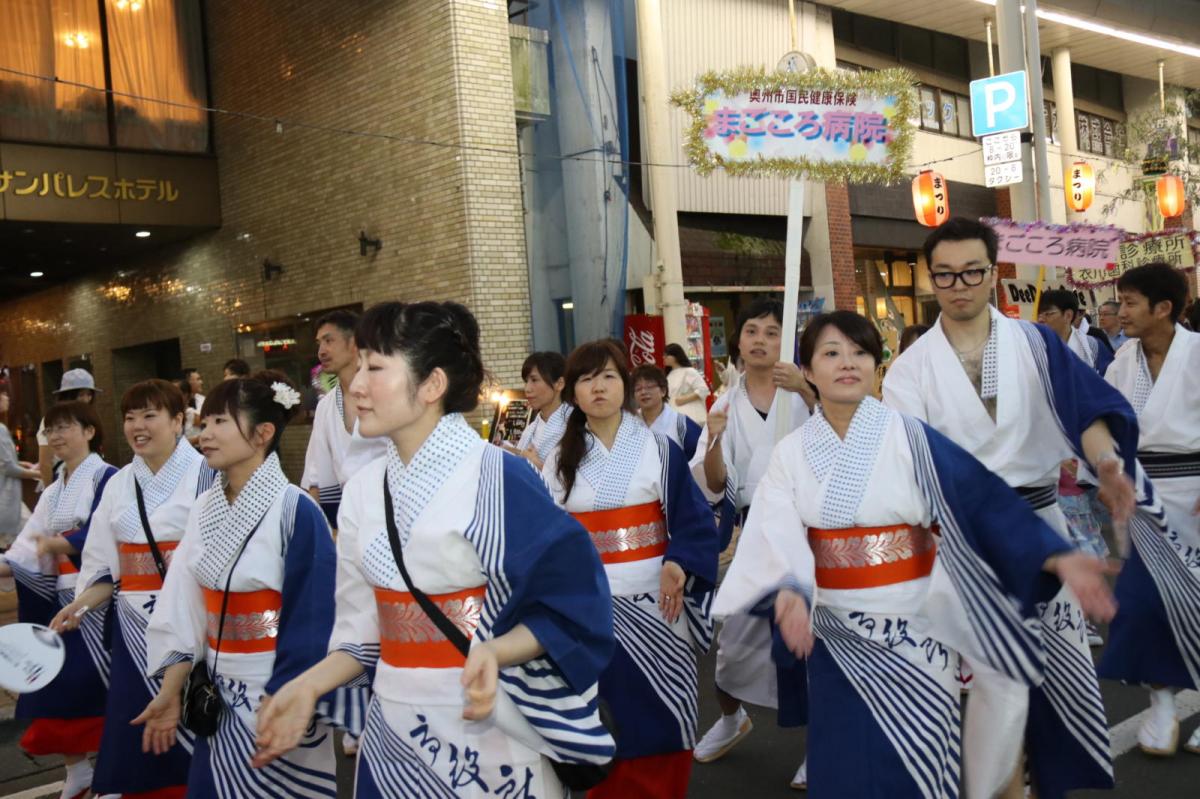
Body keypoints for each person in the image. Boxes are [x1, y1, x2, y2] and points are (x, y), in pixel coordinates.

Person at [715, 311, 1117, 798]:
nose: (848, 363)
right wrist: (790, 592)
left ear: (876, 366)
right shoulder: (792, 452)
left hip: (917, 633)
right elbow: (775, 531)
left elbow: (981, 500)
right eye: (831, 353)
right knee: (844, 768)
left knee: (920, 766)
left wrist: (1053, 554)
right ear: (808, 369)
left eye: (860, 352)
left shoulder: (914, 437)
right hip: (838, 636)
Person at [252, 302, 616, 798]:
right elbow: (361, 629)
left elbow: (573, 600)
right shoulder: (363, 491)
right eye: (358, 367)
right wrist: (308, 683)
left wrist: (496, 650)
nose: (355, 385)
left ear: (432, 385)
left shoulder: (499, 476)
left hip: (486, 723)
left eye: (374, 367)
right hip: (395, 727)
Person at [882, 216, 1140, 798]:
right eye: (945, 274)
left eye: (972, 271)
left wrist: (1105, 463)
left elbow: (1085, 410)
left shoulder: (1034, 342)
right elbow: (910, 465)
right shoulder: (909, 369)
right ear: (931, 279)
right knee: (984, 689)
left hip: (1040, 525)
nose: (960, 284)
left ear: (992, 272)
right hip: (961, 545)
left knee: (1054, 682)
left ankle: (1032, 783)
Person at [138, 371, 347, 798]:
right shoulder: (205, 508)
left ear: (263, 434)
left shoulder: (297, 510)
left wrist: (286, 695)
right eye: (206, 422)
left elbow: (312, 619)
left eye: (220, 422)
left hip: (276, 691)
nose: (205, 434)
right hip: (218, 690)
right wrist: (172, 687)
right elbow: (184, 604)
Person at [542, 339, 718, 799]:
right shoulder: (559, 461)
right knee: (606, 723)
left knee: (663, 716)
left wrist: (679, 562)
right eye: (585, 378)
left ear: (625, 384)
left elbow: (694, 521)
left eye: (608, 376)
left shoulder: (661, 450)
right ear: (573, 393)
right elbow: (546, 541)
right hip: (591, 614)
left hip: (659, 607)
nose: (597, 387)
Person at [50, 380, 215, 798]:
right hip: (133, 629)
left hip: (195, 621)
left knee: (195, 725)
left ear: (179, 421)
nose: (137, 426)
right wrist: (81, 605)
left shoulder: (208, 475)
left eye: (150, 415)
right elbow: (106, 566)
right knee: (136, 734)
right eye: (129, 417)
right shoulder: (120, 484)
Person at [689, 298, 814, 789]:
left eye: (771, 331)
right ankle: (730, 717)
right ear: (738, 342)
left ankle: (816, 744)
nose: (760, 339)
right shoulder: (724, 405)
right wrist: (715, 439)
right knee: (733, 644)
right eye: (752, 331)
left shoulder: (807, 393)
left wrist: (807, 389)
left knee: (810, 644)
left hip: (810, 536)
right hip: (756, 536)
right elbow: (716, 485)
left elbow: (845, 437)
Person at [1098, 262, 1200, 756]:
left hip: (1196, 490)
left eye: (1132, 302)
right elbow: (1107, 428)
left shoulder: (1198, 354)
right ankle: (1161, 704)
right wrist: (1105, 471)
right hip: (1142, 498)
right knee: (1141, 604)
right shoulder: (1120, 363)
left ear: (1164, 309)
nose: (1122, 311)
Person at [0, 401, 117, 799]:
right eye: (51, 431)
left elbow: (108, 536)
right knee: (56, 688)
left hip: (104, 600)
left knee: (102, 687)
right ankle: (78, 769)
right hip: (64, 604)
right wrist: (8, 563)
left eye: (66, 427)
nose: (57, 437)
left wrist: (62, 543)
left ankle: (116, 771)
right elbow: (25, 550)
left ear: (89, 430)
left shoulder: (109, 479)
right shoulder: (53, 491)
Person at [302, 310, 388, 531]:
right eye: (319, 343)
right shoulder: (326, 406)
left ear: (354, 343)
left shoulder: (385, 396)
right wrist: (321, 530)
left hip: (389, 508)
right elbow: (315, 474)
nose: (321, 351)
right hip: (344, 516)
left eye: (329, 341)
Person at [36, 369, 99, 489]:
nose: (86, 399)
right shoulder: (51, 420)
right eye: (81, 394)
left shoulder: (89, 418)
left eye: (89, 394)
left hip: (90, 478)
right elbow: (45, 463)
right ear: (68, 396)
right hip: (62, 479)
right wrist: (52, 495)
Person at [511, 350, 570, 470]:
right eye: (526, 381)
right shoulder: (530, 429)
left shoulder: (575, 425)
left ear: (559, 384)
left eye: (534, 380)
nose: (527, 389)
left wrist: (537, 466)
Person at [632, 364, 702, 460]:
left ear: (663, 391)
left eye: (649, 387)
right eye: (638, 389)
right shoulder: (628, 421)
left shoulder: (682, 424)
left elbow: (700, 458)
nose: (643, 392)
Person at [0, 384, 40, 548]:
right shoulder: (0, 429)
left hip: (7, 498)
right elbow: (8, 468)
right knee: (31, 540)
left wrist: (22, 464)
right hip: (6, 497)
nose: (7, 398)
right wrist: (39, 474)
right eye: (3, 394)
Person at [1037, 289, 1113, 375]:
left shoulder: (1092, 346)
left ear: (1068, 315)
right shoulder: (1033, 347)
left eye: (1047, 314)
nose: (1040, 319)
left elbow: (1109, 380)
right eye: (1039, 314)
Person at [663, 343, 710, 425]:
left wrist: (684, 399)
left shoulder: (689, 371)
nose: (664, 358)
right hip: (675, 418)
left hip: (691, 417)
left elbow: (703, 389)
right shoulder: (669, 375)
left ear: (675, 356)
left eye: (667, 355)